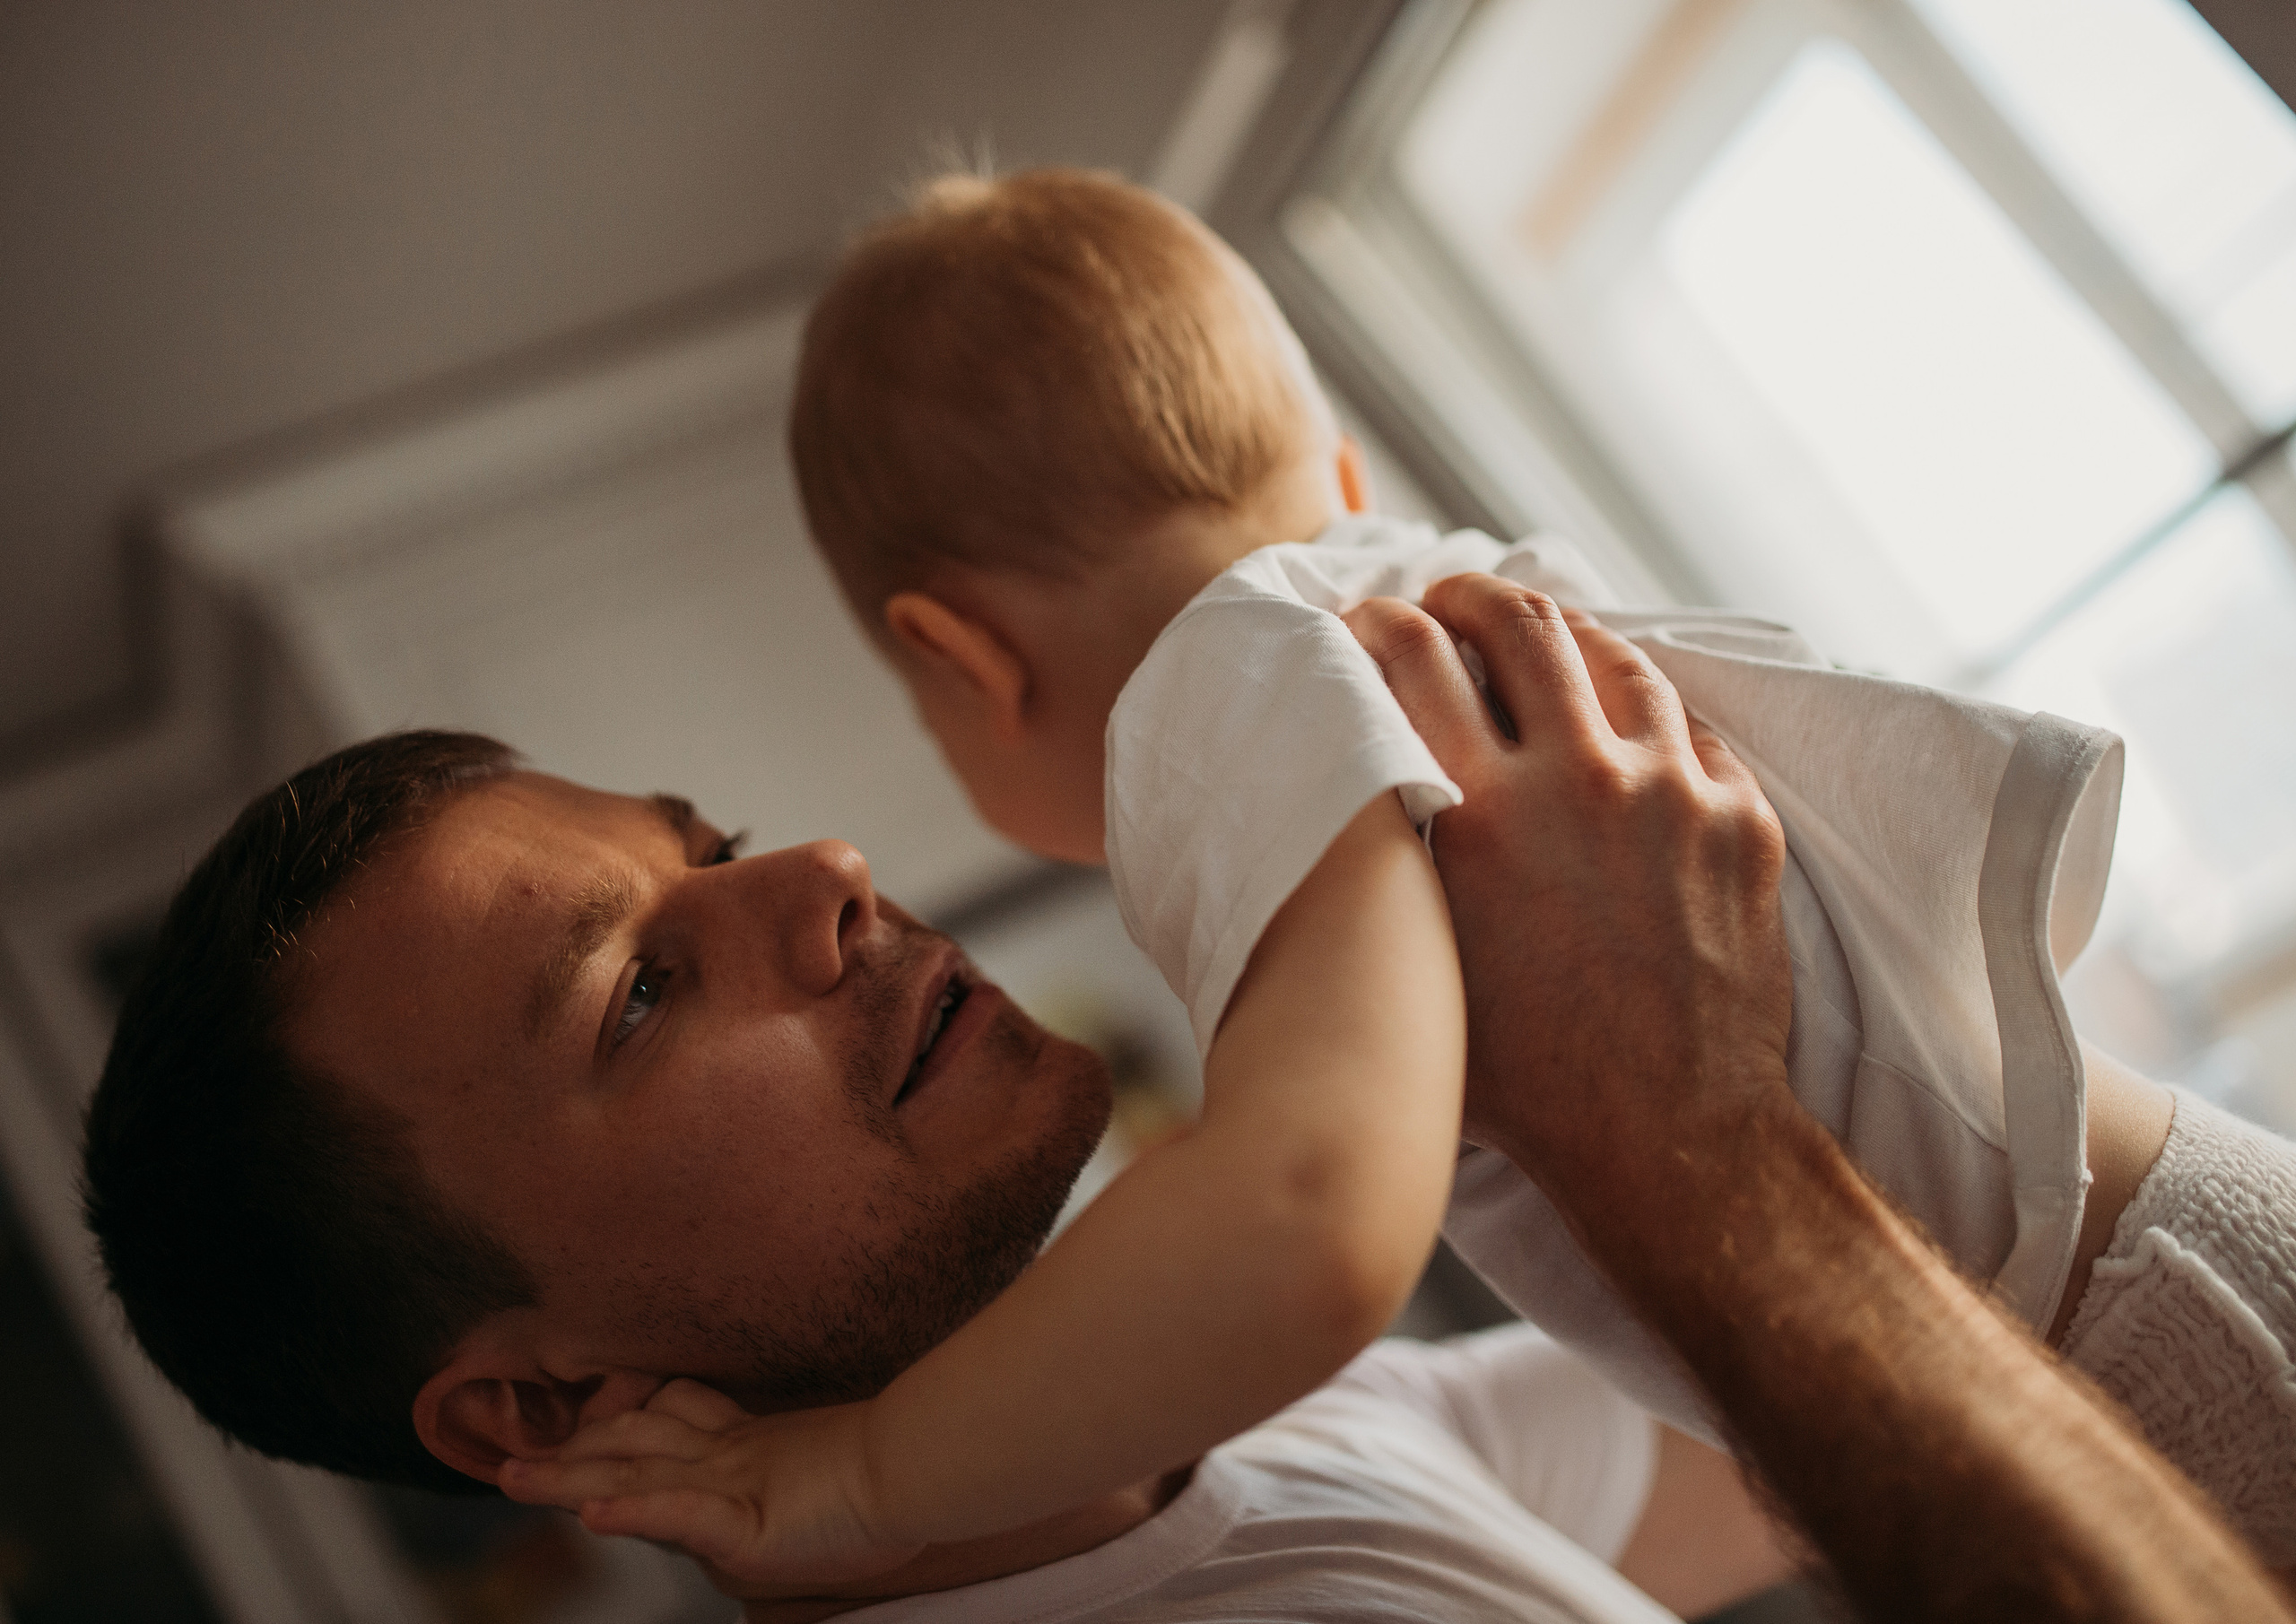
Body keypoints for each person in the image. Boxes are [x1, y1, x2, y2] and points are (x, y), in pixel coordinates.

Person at [81, 583, 2289, 1620]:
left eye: (714, 838)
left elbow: (1891, 1414)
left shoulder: (1252, 1453)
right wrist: (1683, 1139)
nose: (823, 879)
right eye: (641, 990)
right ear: (534, 1412)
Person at [764, 163, 2296, 1564]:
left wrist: (869, 1475)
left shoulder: (1222, 690)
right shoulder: (1430, 595)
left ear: (958, 660)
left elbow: (1304, 1215)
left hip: (2120, 1358)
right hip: (2172, 1236)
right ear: (1346, 478)